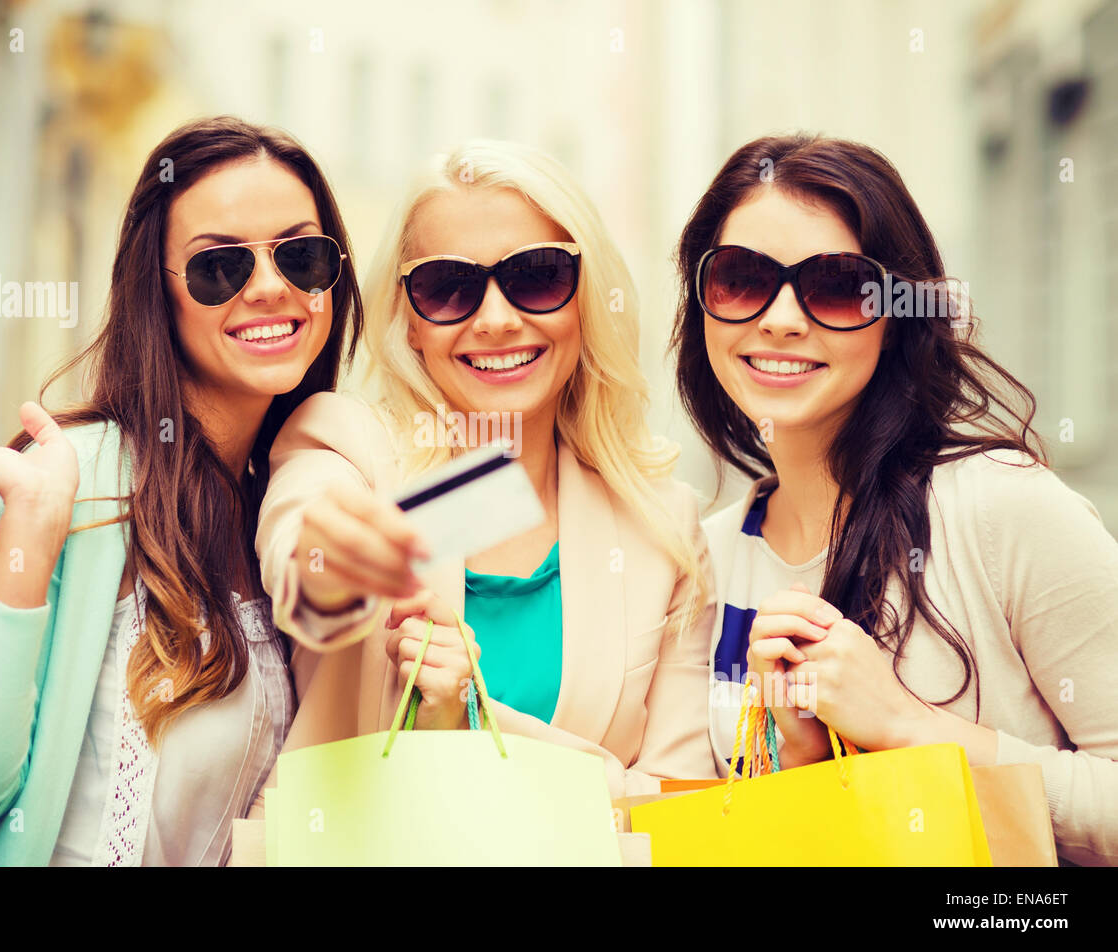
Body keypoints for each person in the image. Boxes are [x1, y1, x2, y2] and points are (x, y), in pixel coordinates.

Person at [672, 133, 1118, 866]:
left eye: (838, 285)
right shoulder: (702, 558)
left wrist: (906, 726)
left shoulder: (1003, 510)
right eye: (743, 278)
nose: (782, 318)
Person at [0, 116, 362, 865]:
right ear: (156, 294)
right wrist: (31, 534)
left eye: (299, 255)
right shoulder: (82, 475)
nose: (270, 288)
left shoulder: (280, 508)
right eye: (218, 267)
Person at [254, 140, 715, 805]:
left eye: (537, 276)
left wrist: (473, 723)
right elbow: (302, 567)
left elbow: (681, 809)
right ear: (409, 320)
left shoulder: (662, 528)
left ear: (586, 300)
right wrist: (330, 559)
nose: (497, 320)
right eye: (449, 288)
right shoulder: (348, 444)